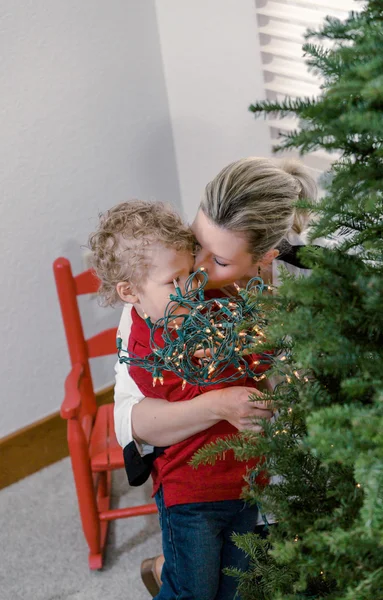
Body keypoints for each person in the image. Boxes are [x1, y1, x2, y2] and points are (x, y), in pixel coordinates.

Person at [114, 156, 318, 598]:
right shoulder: (164, 299)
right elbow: (132, 420)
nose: (198, 270)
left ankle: (173, 568)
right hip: (206, 481)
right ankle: (175, 568)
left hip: (271, 473)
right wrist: (219, 401)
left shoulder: (302, 286)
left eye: (220, 259)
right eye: (196, 240)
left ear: (267, 256)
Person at [89, 199, 274, 600]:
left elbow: (257, 359)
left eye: (191, 274)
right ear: (130, 291)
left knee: (235, 587)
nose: (190, 290)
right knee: (192, 590)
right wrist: (228, 366)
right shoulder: (145, 344)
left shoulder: (209, 307)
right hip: (192, 495)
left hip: (245, 480)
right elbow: (192, 395)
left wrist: (254, 347)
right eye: (174, 282)